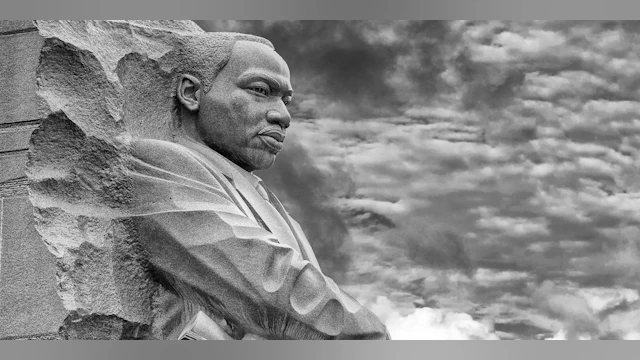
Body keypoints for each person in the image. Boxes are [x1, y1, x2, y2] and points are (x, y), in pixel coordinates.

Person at [126, 33, 390, 340]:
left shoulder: (266, 201)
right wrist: (371, 337)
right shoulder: (160, 163)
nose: (283, 115)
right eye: (260, 90)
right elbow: (269, 285)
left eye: (285, 100)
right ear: (192, 93)